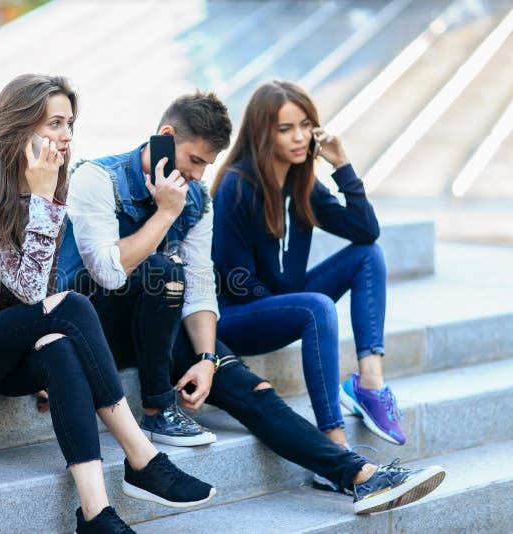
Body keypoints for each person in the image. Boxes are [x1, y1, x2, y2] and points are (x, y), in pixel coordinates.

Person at [57, 90, 445, 513]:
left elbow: (201, 285)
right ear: (167, 136)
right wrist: (165, 213)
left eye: (207, 164)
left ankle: (359, 476)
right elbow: (108, 272)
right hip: (95, 327)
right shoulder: (98, 177)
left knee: (253, 389)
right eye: (195, 160)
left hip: (158, 327)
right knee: (161, 271)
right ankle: (157, 410)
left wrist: (206, 357)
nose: (199, 175)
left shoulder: (196, 199)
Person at [0, 74, 215, 534]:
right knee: (70, 307)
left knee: (61, 344)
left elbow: (41, 292)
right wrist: (46, 200)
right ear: (17, 126)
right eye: (54, 123)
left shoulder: (48, 187)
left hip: (23, 355)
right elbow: (30, 291)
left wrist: (45, 197)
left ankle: (96, 515)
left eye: (70, 124)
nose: (66, 136)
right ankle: (143, 459)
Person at [210, 80, 403, 456]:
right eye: (285, 129)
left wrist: (342, 165)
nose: (299, 137)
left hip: (285, 303)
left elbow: (365, 231)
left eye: (305, 125)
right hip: (235, 316)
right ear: (263, 133)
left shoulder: (303, 184)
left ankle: (370, 384)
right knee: (315, 306)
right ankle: (334, 444)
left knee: (368, 255)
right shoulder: (237, 186)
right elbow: (236, 281)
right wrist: (291, 308)